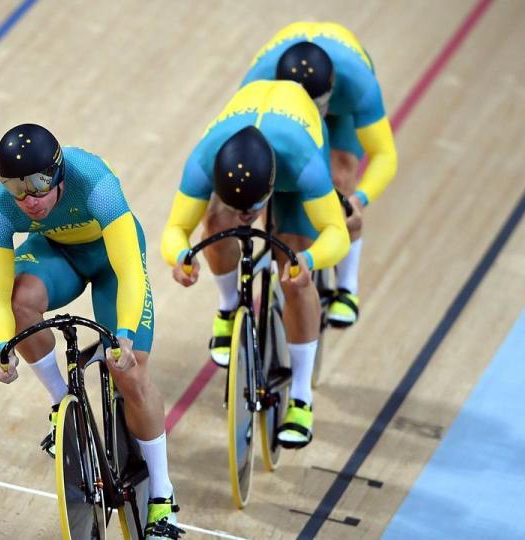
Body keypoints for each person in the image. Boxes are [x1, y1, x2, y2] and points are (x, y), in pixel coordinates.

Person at [0, 123, 183, 539]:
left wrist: (125, 334)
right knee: (21, 304)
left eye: (38, 185)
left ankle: (162, 496)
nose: (28, 200)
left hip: (111, 261)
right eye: (16, 188)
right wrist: (3, 346)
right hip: (57, 256)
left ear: (57, 174)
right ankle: (63, 407)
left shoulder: (95, 183)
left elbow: (129, 271)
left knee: (130, 373)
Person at [161, 80, 349, 448]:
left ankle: (300, 397)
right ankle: (229, 306)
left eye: (254, 207)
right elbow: (175, 229)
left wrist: (309, 259)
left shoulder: (302, 163)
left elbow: (336, 233)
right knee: (215, 224)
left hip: (297, 136)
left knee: (294, 266)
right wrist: (180, 256)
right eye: (240, 206)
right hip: (247, 129)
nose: (248, 216)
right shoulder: (204, 160)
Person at [242, 22, 398, 327]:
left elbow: (385, 155)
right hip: (281, 112)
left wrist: (358, 199)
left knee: (340, 176)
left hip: (339, 113)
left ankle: (347, 287)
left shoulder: (357, 84)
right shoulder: (258, 83)